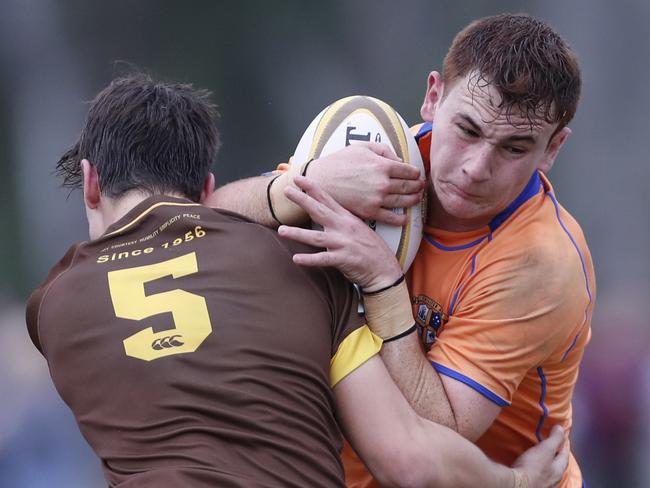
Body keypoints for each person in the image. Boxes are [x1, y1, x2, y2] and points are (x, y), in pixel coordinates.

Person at [26, 73, 567, 487]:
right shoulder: (301, 270)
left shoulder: (54, 306)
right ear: (207, 184)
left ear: (91, 181)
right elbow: (408, 459)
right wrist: (515, 480)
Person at [209, 13, 594, 488]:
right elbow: (208, 223)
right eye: (468, 130)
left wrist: (381, 282)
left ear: (553, 148)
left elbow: (436, 437)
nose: (477, 168)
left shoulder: (540, 262)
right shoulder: (375, 153)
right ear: (434, 97)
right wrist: (299, 186)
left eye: (515, 148)